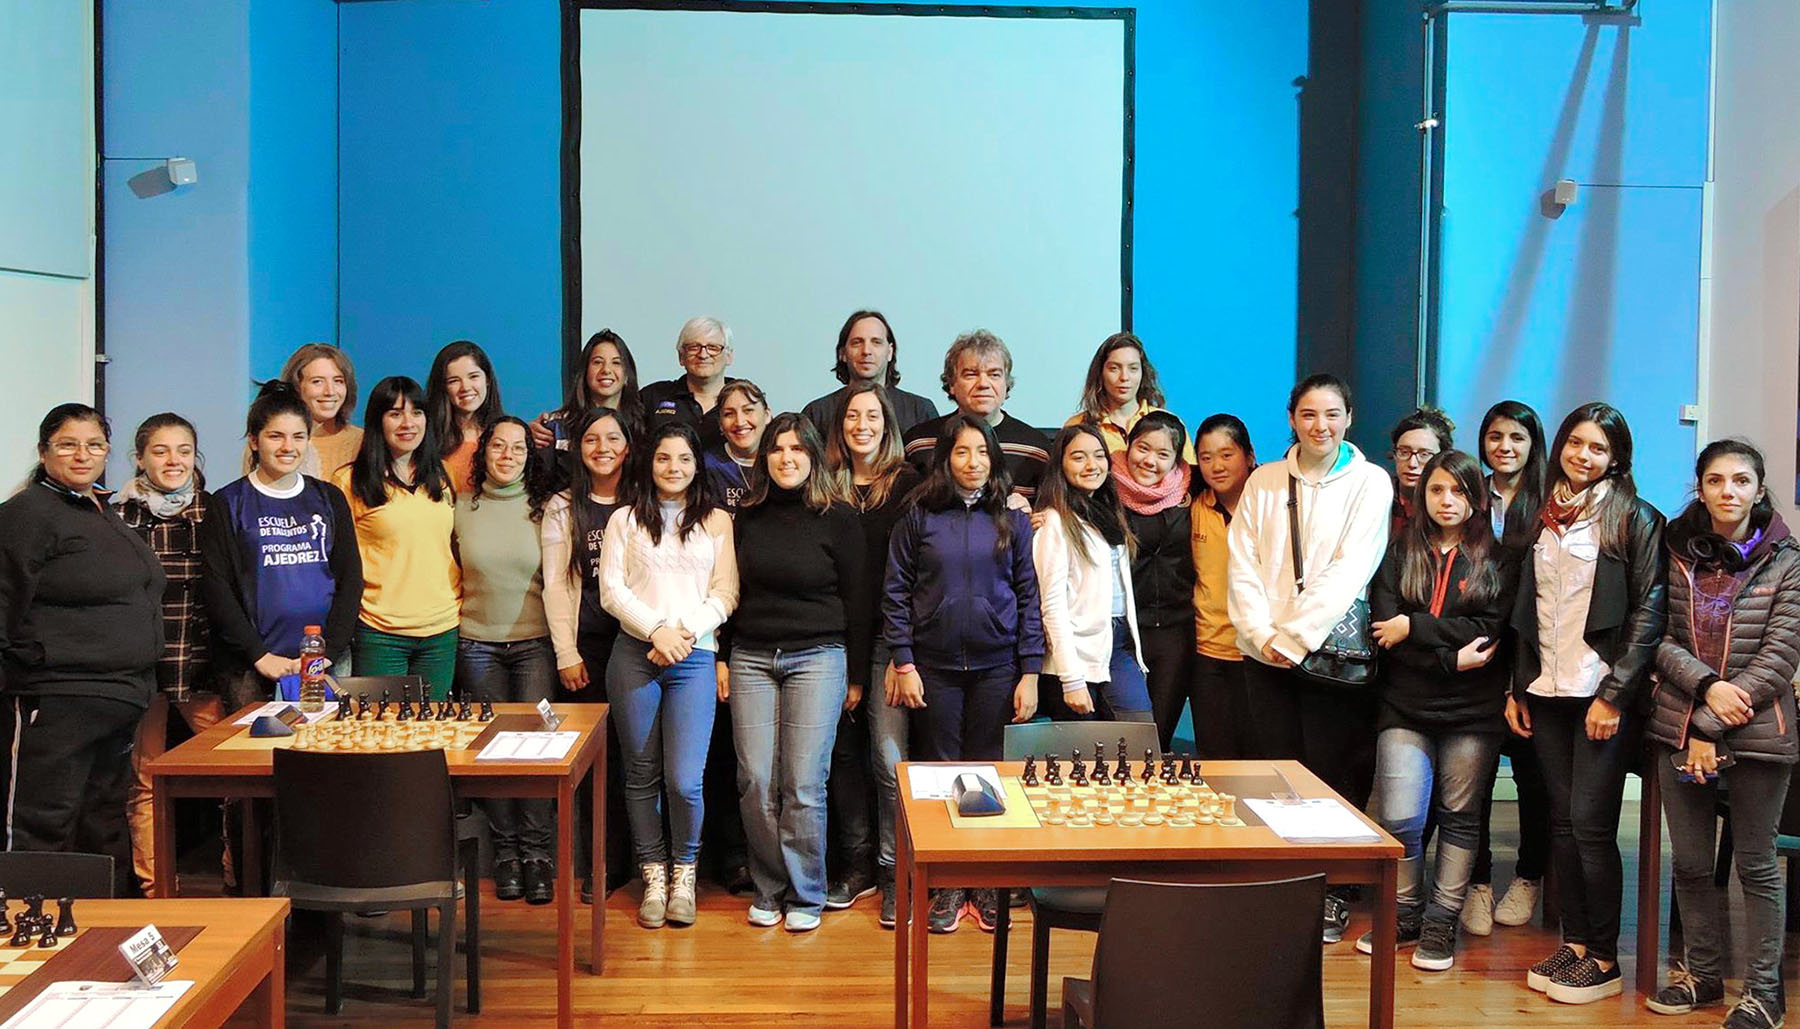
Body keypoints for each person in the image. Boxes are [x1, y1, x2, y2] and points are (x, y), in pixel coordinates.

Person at [1506, 402, 1665, 1005]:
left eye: (1598, 448)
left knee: (1595, 827)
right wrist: (1518, 688)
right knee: (1564, 824)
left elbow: (1650, 611)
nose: (1584, 456)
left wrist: (1615, 695)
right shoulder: (1545, 517)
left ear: (1617, 458)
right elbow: (1529, 611)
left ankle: (1604, 958)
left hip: (1601, 693)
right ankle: (1575, 945)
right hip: (1547, 690)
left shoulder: (1636, 518)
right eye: (1576, 444)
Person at [1226, 373, 1391, 943]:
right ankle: (1283, 883)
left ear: (1349, 418)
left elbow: (1352, 569)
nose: (1320, 426)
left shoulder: (1372, 483)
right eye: (1308, 414)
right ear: (1291, 419)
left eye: (1332, 414)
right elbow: (1241, 561)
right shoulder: (1265, 481)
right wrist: (1259, 632)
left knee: (1331, 775)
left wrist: (1294, 638)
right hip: (1263, 653)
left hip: (1329, 656)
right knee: (1275, 769)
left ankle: (1332, 890)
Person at [1644, 440, 1798, 1029]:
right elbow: (1656, 637)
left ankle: (1764, 993)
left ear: (1758, 490)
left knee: (1756, 865)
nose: (1727, 492)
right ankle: (1702, 976)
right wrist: (1706, 689)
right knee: (1689, 862)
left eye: (1740, 481)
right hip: (1680, 718)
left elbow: (1780, 654)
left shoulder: (1788, 559)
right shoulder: (1675, 551)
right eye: (1715, 480)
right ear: (1700, 488)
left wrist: (1712, 717)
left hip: (1758, 730)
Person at [1357, 450, 1516, 972]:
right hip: (1405, 705)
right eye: (1437, 491)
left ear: (1476, 498)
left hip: (1474, 713)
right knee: (1399, 817)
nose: (1447, 501)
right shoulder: (1401, 551)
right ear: (1421, 496)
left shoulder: (1500, 556)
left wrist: (1418, 628)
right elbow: (1384, 630)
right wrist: (1448, 657)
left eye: (1459, 492)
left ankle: (1442, 920)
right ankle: (1404, 911)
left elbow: (1490, 633)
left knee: (1461, 818)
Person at [884, 413, 1042, 934]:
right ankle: (948, 884)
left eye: (981, 453)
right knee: (942, 774)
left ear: (994, 459)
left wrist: (1031, 671)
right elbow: (897, 594)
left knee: (991, 774)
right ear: (944, 459)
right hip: (935, 668)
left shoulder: (1012, 519)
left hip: (999, 666)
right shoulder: (918, 517)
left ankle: (986, 884)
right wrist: (904, 661)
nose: (972, 463)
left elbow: (1028, 596)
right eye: (961, 453)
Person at [0, 405, 163, 896]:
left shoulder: (99, 510)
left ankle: (93, 942)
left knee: (100, 827)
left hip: (119, 699)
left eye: (94, 445)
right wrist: (38, 664)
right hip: (56, 701)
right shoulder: (27, 513)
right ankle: (21, 946)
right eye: (68, 444)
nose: (82, 454)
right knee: (42, 824)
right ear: (44, 451)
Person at [728, 413, 868, 932]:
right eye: (777, 449)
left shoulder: (840, 517)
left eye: (797, 449)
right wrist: (723, 657)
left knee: (804, 783)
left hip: (819, 657)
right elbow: (728, 590)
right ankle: (770, 887)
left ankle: (807, 894)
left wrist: (855, 676)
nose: (787, 458)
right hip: (751, 658)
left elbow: (858, 601)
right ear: (765, 458)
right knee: (755, 780)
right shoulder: (747, 516)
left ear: (814, 456)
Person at [600, 422, 738, 929]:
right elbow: (612, 592)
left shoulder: (718, 522)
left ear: (696, 465)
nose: (673, 468)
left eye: (683, 459)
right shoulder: (624, 521)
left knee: (684, 780)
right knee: (640, 775)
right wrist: (656, 631)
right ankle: (653, 875)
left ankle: (686, 874)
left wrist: (680, 635)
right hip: (635, 655)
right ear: (649, 463)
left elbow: (725, 594)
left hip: (694, 658)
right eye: (663, 459)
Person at [822, 382, 922, 926]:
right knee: (840, 756)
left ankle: (893, 871)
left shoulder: (907, 485)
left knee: (887, 761)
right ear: (839, 425)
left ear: (887, 423)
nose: (862, 424)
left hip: (888, 639)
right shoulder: (824, 486)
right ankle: (856, 863)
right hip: (830, 640)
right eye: (852, 415)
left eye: (872, 415)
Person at [202, 382, 361, 706]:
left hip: (325, 659)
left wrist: (327, 651)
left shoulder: (329, 498)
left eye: (298, 436)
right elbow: (216, 587)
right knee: (254, 754)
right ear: (254, 441)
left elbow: (350, 578)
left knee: (325, 752)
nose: (288, 446)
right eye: (276, 436)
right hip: (252, 664)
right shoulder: (228, 502)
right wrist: (258, 654)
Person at [454, 416, 560, 904]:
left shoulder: (549, 509)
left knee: (537, 752)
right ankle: (507, 854)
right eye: (499, 446)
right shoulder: (458, 508)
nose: (508, 455)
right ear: (484, 452)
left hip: (536, 644)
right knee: (493, 755)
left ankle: (539, 855)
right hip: (476, 644)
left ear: (529, 455)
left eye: (518, 448)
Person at [116, 414, 219, 896]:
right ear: (140, 458)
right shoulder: (118, 516)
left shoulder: (215, 511)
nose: (173, 460)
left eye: (183, 450)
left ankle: (241, 885)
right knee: (145, 778)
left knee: (231, 774)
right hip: (142, 662)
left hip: (202, 661)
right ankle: (156, 890)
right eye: (161, 450)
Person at [1464, 400, 1552, 937]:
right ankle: (1476, 881)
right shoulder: (1469, 495)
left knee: (1531, 776)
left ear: (1532, 444)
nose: (1504, 447)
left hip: (1531, 656)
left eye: (1516, 438)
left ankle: (1528, 875)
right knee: (1471, 775)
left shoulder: (1548, 504)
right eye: (1495, 436)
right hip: (1474, 653)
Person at [540, 407, 634, 903]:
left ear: (628, 446)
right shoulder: (563, 505)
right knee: (596, 762)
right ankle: (597, 865)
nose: (602, 447)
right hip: (587, 650)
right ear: (577, 448)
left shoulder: (643, 499)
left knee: (634, 762)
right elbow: (556, 583)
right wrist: (565, 652)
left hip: (639, 647)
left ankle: (639, 860)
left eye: (612, 438)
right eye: (591, 438)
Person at [333, 377, 462, 701]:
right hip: (380, 631)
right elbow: (340, 565)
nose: (408, 423)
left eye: (417, 412)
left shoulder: (444, 476)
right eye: (395, 413)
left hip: (442, 630)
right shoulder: (348, 481)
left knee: (432, 733)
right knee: (384, 733)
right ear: (377, 421)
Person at [1034, 422, 1151, 724]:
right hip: (1075, 652)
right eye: (1079, 457)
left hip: (1120, 643)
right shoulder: (1053, 521)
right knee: (1082, 756)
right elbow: (1052, 606)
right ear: (1060, 464)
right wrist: (1071, 679)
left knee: (1139, 734)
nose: (1092, 465)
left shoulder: (1109, 513)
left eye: (1099, 456)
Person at [1110, 411, 1195, 745]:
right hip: (1124, 635)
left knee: (1157, 740)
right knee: (1123, 738)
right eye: (1143, 448)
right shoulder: (1103, 491)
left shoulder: (1190, 492)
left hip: (1176, 631)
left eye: (1163, 454)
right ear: (1128, 446)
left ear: (1176, 460)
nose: (1149, 461)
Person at [902, 330, 1051, 503]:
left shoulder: (1037, 449)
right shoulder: (917, 443)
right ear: (951, 384)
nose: (983, 384)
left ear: (1006, 383)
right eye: (971, 374)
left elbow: (1050, 515)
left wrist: (1031, 515)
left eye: (994, 374)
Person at [1188, 414, 1256, 757]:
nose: (1216, 466)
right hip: (1208, 654)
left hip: (1259, 654)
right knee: (1215, 757)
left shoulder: (1268, 506)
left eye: (1226, 454)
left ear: (1248, 455)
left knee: (1260, 758)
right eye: (1205, 456)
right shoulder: (1193, 507)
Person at [801, 310, 938, 434]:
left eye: (876, 342)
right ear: (842, 353)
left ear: (890, 352)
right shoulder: (817, 414)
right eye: (857, 342)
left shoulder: (920, 411)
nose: (866, 351)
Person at [1064, 332, 1194, 460]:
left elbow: (1189, 474)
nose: (1124, 377)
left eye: (1133, 368)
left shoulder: (1170, 424)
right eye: (1114, 368)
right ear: (1100, 373)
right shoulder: (1078, 424)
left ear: (1143, 373)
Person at [241, 343, 363, 479]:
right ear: (297, 386)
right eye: (317, 381)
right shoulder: (269, 443)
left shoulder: (364, 442)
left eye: (338, 381)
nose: (330, 391)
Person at [640, 316, 742, 452]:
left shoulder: (746, 400)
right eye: (694, 347)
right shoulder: (652, 397)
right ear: (681, 357)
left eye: (713, 347)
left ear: (729, 356)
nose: (703, 354)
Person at [530, 328, 642, 450]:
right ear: (585, 372)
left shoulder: (643, 425)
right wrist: (525, 436)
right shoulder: (557, 425)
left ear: (627, 375)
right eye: (597, 362)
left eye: (616, 363)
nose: (606, 370)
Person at [426, 340, 505, 493]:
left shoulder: (506, 434)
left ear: (487, 379)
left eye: (473, 376)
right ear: (442, 387)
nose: (466, 388)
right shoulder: (427, 438)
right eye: (454, 381)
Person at [705, 380, 770, 513]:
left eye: (748, 410)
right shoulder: (707, 466)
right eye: (729, 414)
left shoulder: (782, 462)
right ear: (720, 424)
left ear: (767, 415)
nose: (739, 422)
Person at [1389, 407, 1455, 537]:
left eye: (1424, 454)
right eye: (1404, 452)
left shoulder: (1451, 503)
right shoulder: (1379, 495)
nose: (1412, 464)